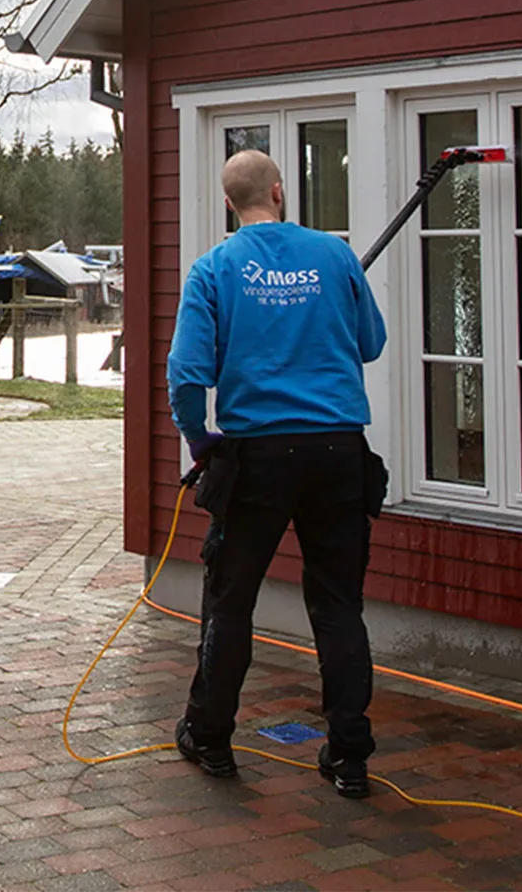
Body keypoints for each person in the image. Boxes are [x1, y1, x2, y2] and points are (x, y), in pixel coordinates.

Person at [166, 149, 387, 798]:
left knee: (231, 604)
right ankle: (348, 756)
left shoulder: (215, 269)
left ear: (230, 205)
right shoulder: (337, 256)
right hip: (338, 452)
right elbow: (370, 343)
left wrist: (201, 443)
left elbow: (185, 376)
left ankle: (209, 738)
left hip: (259, 456)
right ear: (280, 193)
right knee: (338, 605)